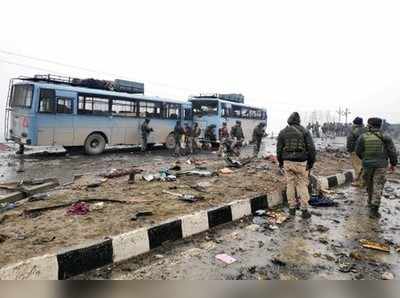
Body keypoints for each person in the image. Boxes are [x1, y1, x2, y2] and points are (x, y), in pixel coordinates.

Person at [355, 117, 398, 218]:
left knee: (369, 185)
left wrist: (365, 159)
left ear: (370, 125)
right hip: (381, 166)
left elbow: (358, 151)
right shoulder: (386, 136)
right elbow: (392, 152)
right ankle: (374, 209)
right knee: (378, 186)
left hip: (367, 165)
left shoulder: (363, 137)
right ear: (380, 125)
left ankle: (370, 203)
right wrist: (393, 164)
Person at [277, 112, 316, 219]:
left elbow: (279, 150)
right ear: (299, 121)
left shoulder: (283, 132)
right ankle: (304, 210)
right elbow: (311, 149)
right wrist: (311, 163)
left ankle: (292, 209)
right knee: (302, 185)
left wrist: (280, 162)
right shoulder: (305, 131)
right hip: (301, 163)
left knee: (290, 184)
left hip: (287, 162)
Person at [346, 117, 367, 186]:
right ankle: (364, 180)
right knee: (363, 166)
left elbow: (350, 141)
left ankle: (360, 182)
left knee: (357, 167)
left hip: (355, 151)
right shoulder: (366, 130)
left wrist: (350, 150)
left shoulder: (354, 130)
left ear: (354, 123)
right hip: (365, 151)